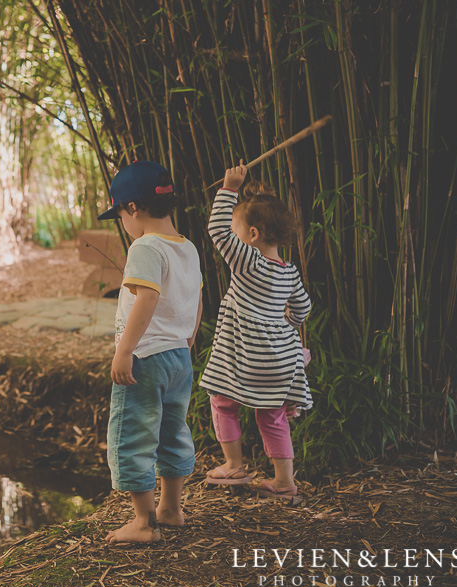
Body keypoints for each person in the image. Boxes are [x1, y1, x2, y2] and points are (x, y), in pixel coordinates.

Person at [97, 160, 203, 544]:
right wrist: (188, 338)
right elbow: (198, 296)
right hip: (178, 356)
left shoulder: (145, 246)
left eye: (120, 215)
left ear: (132, 209)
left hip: (145, 358)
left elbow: (148, 298)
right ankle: (171, 509)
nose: (123, 224)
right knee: (172, 430)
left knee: (134, 434)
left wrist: (125, 350)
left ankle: (143, 523)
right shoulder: (187, 247)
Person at [199, 161, 312, 499]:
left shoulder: (248, 261)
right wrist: (281, 327)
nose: (232, 236)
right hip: (281, 359)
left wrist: (229, 188)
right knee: (273, 415)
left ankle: (233, 464)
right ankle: (284, 482)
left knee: (222, 400)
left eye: (237, 230)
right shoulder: (289, 271)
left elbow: (217, 230)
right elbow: (303, 309)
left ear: (252, 235)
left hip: (244, 356)